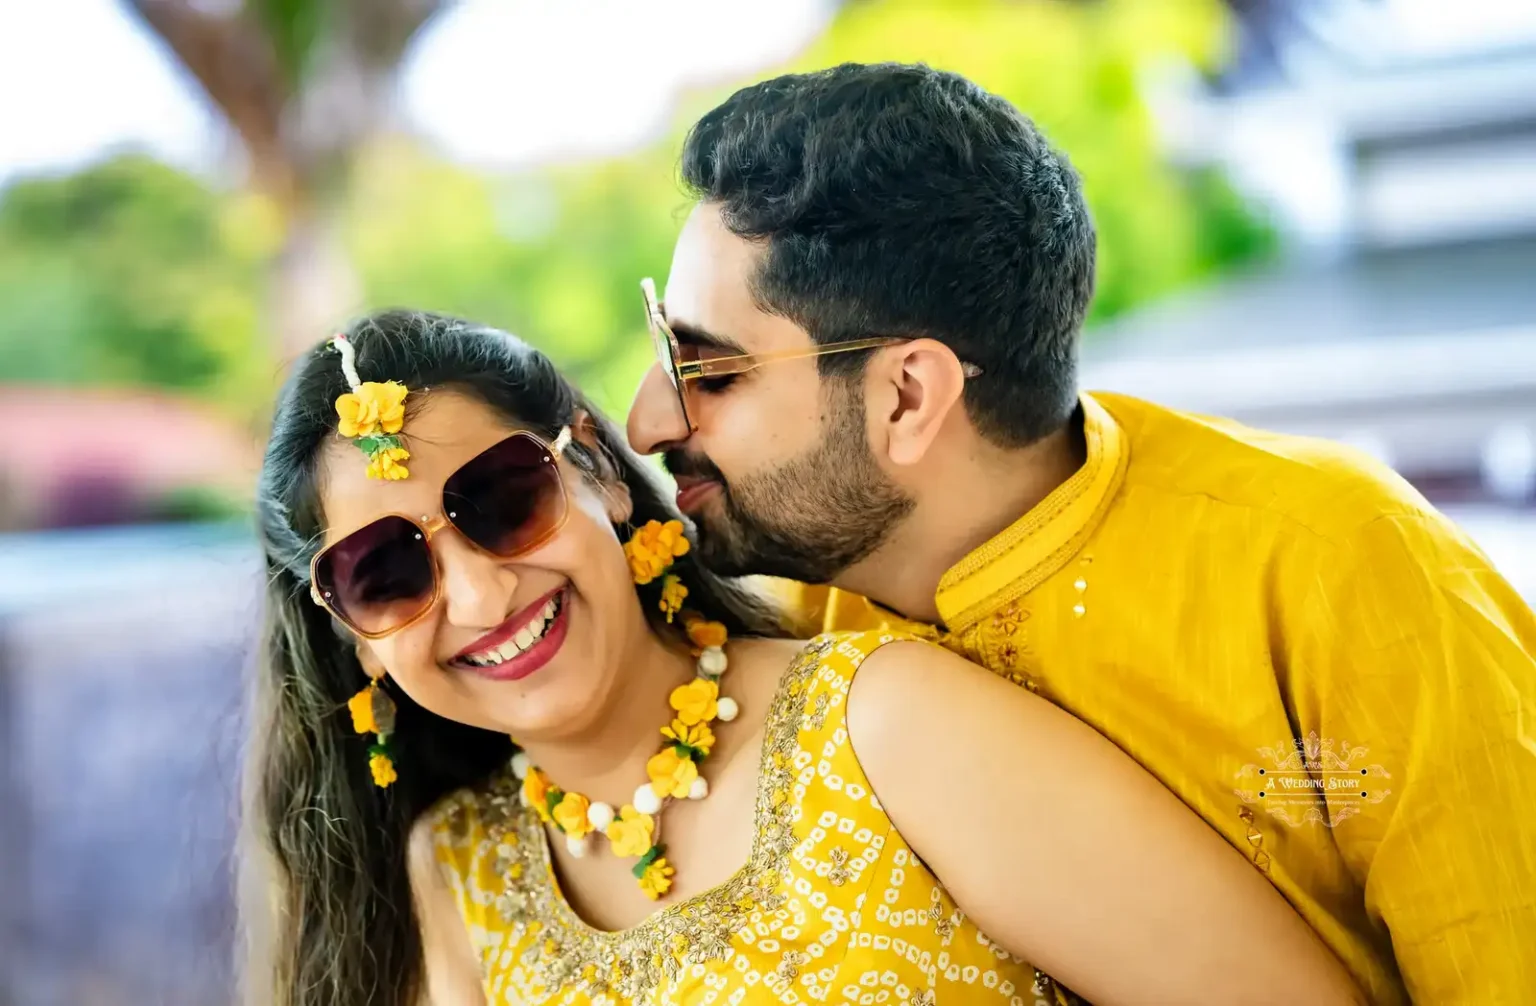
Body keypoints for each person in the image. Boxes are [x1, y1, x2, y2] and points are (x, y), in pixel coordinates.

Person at [624, 62, 1536, 1005]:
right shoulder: (766, 640)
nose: (646, 421)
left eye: (708, 373)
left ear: (907, 395)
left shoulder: (1339, 569)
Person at [245, 310, 1363, 1006]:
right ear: (348, 636)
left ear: (590, 466)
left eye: (501, 500)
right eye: (386, 572)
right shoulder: (458, 872)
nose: (481, 592)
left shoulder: (885, 728)